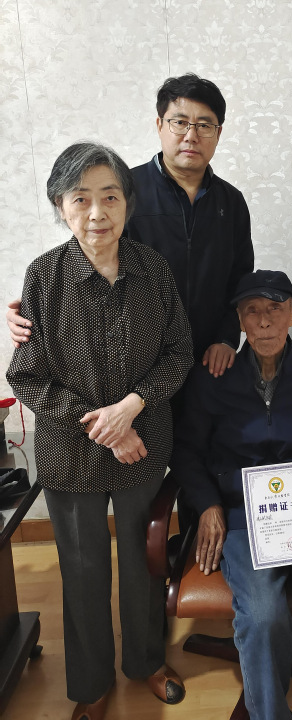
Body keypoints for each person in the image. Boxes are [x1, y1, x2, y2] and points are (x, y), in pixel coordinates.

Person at [6, 142, 195, 720]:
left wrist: (130, 408)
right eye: (80, 198)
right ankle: (90, 683)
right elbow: (27, 376)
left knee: (143, 562)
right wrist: (105, 427)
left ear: (127, 204)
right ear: (60, 206)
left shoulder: (153, 270)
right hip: (71, 454)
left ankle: (146, 661)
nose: (96, 213)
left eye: (110, 197)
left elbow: (178, 353)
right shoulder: (44, 277)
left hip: (143, 444)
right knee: (83, 571)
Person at [169, 269, 292, 720]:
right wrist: (209, 504)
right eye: (252, 311)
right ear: (239, 321)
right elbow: (186, 450)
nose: (263, 322)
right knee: (262, 616)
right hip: (242, 516)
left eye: (274, 309)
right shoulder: (212, 379)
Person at [7, 73, 254, 375]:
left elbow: (241, 278)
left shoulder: (231, 202)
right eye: (179, 122)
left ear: (218, 132)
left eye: (204, 125)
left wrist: (227, 338)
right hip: (138, 361)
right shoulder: (123, 192)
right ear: (160, 124)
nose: (191, 135)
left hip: (210, 359)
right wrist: (36, 309)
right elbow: (89, 255)